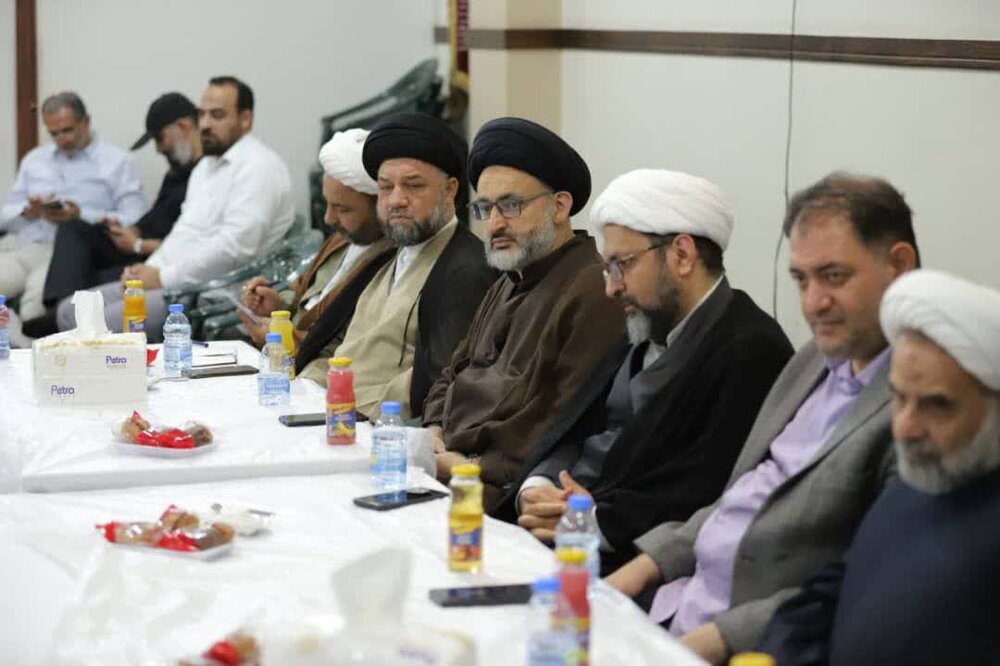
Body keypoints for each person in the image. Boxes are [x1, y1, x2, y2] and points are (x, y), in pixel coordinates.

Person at [604, 172, 920, 663]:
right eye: (802, 280)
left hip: (747, 642)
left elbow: (855, 584)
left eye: (834, 276)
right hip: (674, 600)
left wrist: (691, 648)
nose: (813, 304)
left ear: (898, 266)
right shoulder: (813, 359)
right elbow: (739, 497)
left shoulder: (922, 407)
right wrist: (630, 577)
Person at [507, 170, 793, 571]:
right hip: (566, 529)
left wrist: (592, 521)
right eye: (608, 269)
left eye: (621, 265)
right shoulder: (644, 325)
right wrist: (539, 487)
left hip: (639, 564)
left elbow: (705, 493)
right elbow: (579, 430)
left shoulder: (750, 350)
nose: (611, 287)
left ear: (682, 255)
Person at [759, 269, 1000, 666]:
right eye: (899, 398)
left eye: (937, 405)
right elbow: (838, 583)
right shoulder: (922, 477)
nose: (905, 427)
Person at [422, 117, 626, 513]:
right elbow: (453, 372)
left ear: (560, 206)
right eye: (485, 208)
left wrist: (463, 466)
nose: (495, 224)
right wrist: (432, 432)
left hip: (503, 493)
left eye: (511, 205)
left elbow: (561, 421)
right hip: (446, 464)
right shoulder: (508, 277)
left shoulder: (593, 289)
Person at [55, 76, 294, 341]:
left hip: (213, 295)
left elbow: (235, 248)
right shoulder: (206, 167)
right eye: (202, 114)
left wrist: (163, 277)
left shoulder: (259, 167)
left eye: (217, 115)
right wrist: (145, 271)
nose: (205, 124)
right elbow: (184, 232)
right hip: (178, 283)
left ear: (245, 119)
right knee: (69, 311)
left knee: (101, 325)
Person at [325, 112, 496, 419]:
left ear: (450, 190)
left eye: (413, 186)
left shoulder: (467, 269)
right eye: (385, 187)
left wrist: (347, 411)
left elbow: (441, 381)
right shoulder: (389, 256)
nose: (396, 200)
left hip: (376, 424)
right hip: (331, 410)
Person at [22, 92, 202, 338]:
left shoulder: (205, 178)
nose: (159, 149)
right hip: (134, 244)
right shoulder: (177, 172)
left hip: (156, 255)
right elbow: (154, 216)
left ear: (183, 126)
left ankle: (60, 319)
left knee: (91, 277)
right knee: (74, 229)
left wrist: (139, 244)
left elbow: (190, 241)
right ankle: (58, 311)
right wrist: (131, 230)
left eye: (160, 138)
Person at [237, 128, 394, 383]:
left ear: (381, 205)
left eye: (342, 209)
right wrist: (277, 304)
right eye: (327, 204)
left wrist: (283, 339)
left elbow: (347, 348)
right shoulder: (342, 239)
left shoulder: (389, 263)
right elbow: (306, 292)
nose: (329, 218)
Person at [0, 91, 145, 341]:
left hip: (67, 257)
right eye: (54, 133)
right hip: (26, 245)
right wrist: (26, 211)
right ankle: (14, 348)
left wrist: (81, 216)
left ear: (85, 122)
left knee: (35, 308)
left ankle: (31, 355)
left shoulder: (117, 162)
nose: (61, 139)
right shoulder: (34, 160)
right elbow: (5, 214)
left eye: (67, 130)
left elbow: (136, 217)